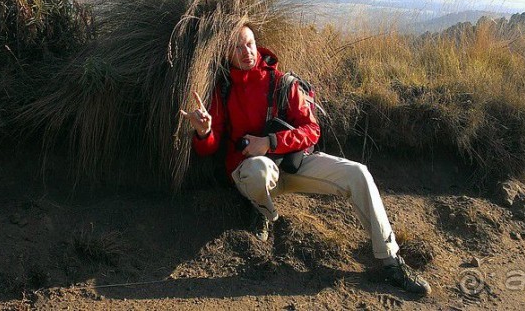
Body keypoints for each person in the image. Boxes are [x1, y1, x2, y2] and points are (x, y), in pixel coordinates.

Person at [180, 25, 431, 295]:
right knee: (258, 169)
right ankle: (264, 213)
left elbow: (312, 130)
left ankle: (391, 261)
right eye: (237, 48)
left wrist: (271, 142)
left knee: (358, 173)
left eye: (249, 44)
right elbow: (209, 148)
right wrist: (204, 131)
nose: (246, 52)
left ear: (256, 44)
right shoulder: (224, 90)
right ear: (226, 53)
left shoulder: (282, 83)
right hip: (253, 174)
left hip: (293, 165)